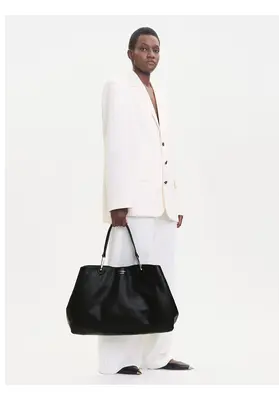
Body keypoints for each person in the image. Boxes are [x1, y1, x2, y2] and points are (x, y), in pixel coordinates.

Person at [98, 27, 193, 375]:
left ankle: (158, 355)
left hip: (163, 204)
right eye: (143, 48)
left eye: (155, 49)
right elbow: (115, 145)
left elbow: (166, 150)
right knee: (124, 282)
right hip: (133, 204)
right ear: (130, 53)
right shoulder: (117, 87)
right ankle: (117, 360)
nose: (151, 54)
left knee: (163, 282)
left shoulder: (160, 93)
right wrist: (117, 201)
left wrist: (175, 200)